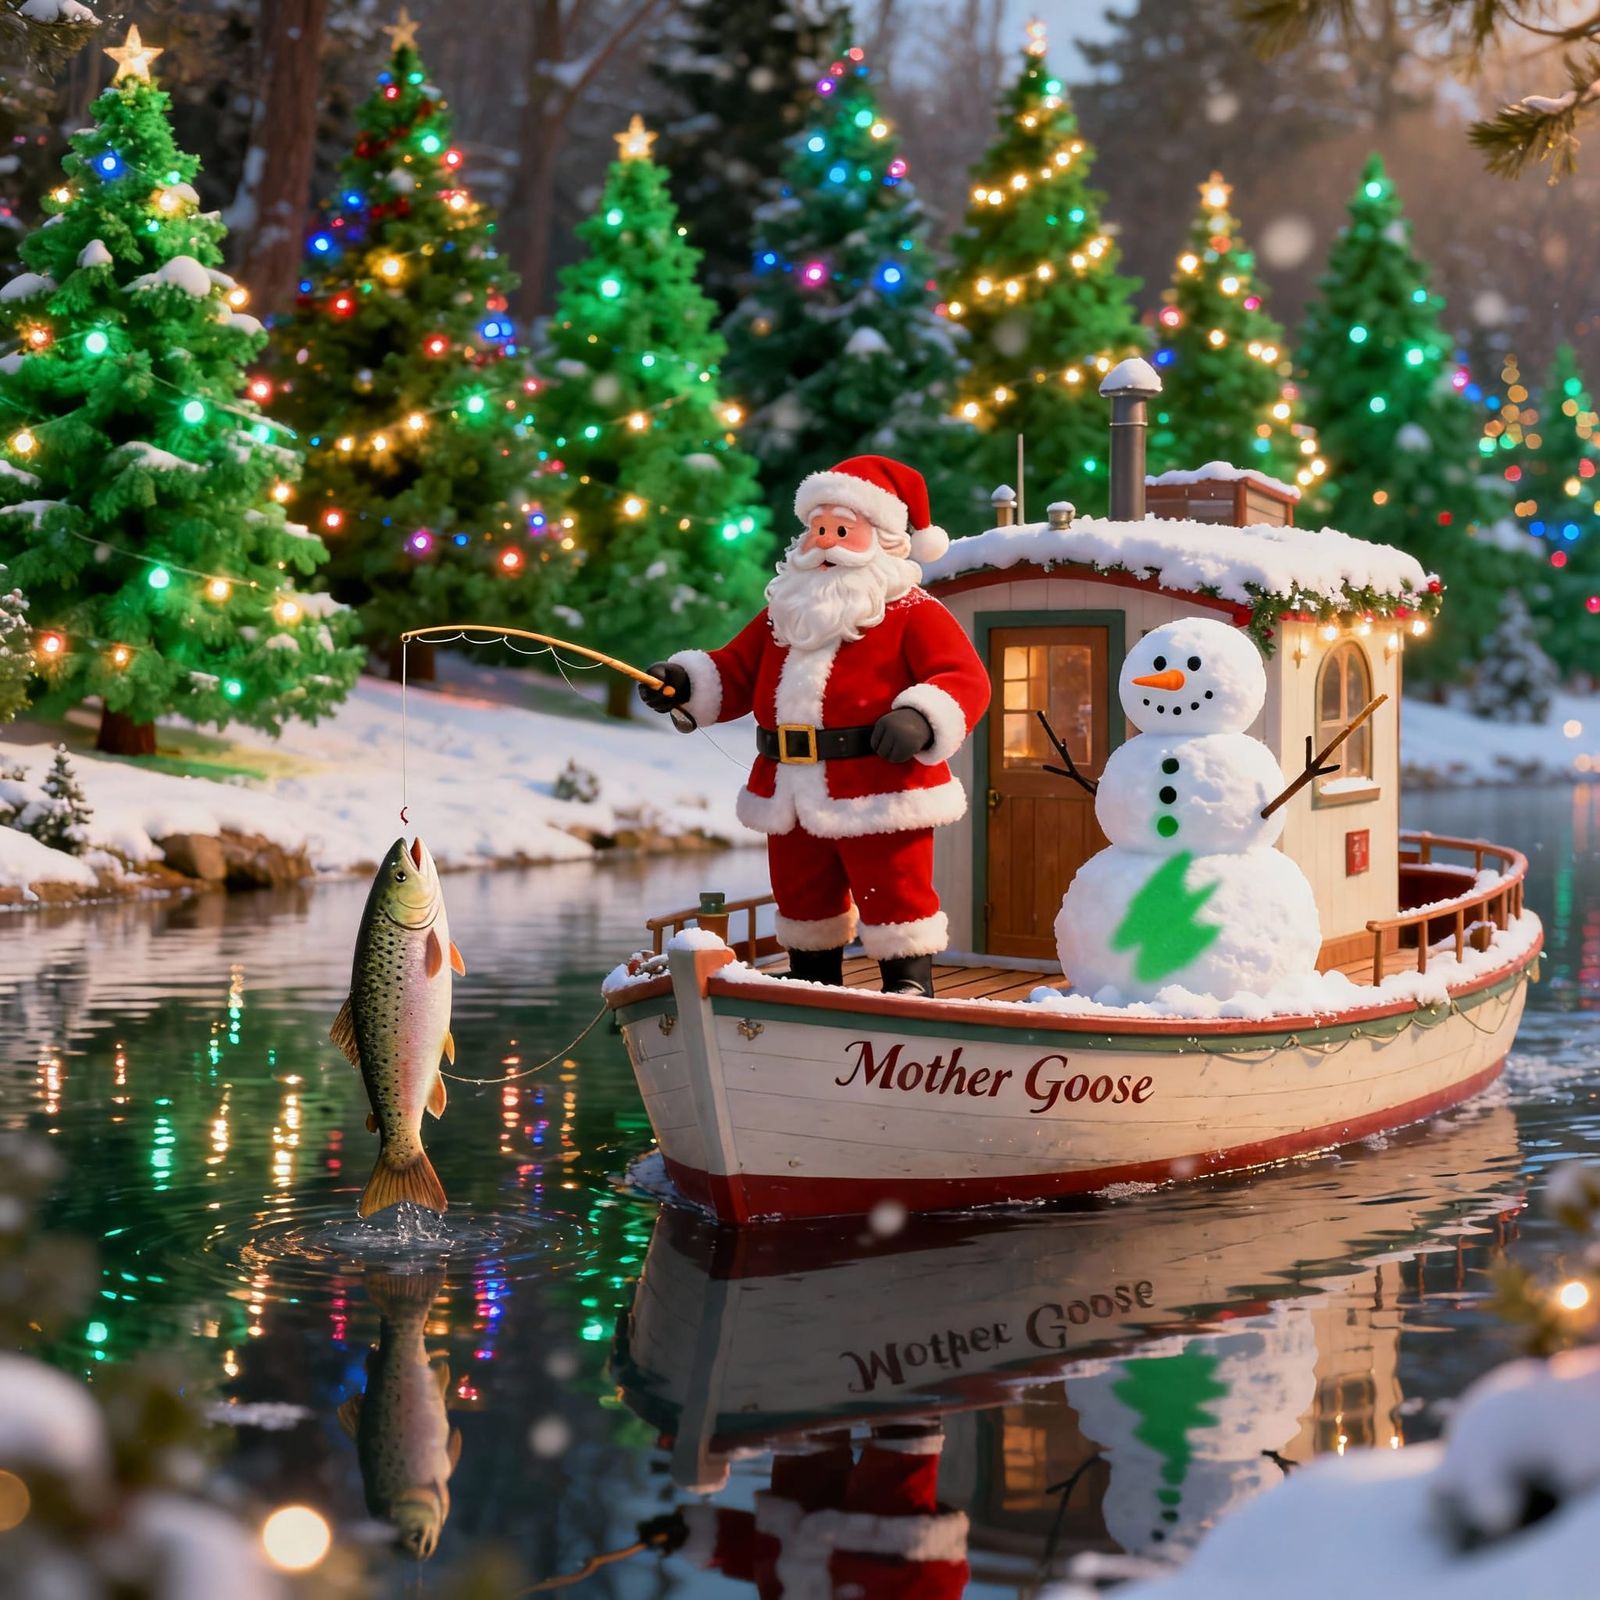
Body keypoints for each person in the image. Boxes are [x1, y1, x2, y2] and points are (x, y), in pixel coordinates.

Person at [639, 455, 989, 997]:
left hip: (879, 785)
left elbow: (963, 677)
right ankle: (812, 981)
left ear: (886, 539)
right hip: (789, 786)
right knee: (801, 892)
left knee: (894, 892)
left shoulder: (913, 611)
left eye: (842, 529)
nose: (825, 542)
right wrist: (683, 683)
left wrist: (920, 717)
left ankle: (908, 984)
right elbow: (733, 671)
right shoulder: (785, 613)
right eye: (817, 529)